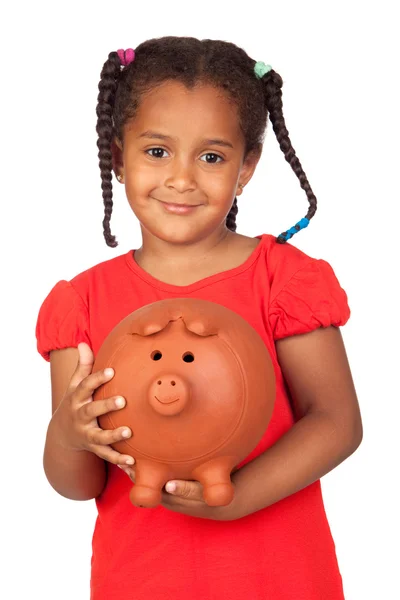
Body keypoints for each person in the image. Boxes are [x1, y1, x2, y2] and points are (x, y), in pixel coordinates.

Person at [35, 36, 363, 600]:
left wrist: (239, 496)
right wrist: (68, 434)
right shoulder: (83, 303)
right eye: (157, 151)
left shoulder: (282, 281)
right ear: (118, 156)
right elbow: (81, 483)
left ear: (246, 167)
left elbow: (337, 421)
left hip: (280, 582)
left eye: (211, 157)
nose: (182, 179)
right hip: (140, 582)